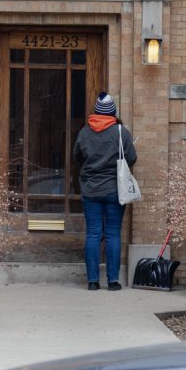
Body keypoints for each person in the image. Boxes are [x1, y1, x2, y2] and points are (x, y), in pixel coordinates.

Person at [73, 91, 137, 292]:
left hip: (90, 190)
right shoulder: (121, 132)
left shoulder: (84, 132)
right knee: (112, 234)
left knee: (93, 234)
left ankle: (92, 282)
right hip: (114, 190)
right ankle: (112, 281)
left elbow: (77, 157)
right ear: (113, 111)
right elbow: (132, 158)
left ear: (97, 111)